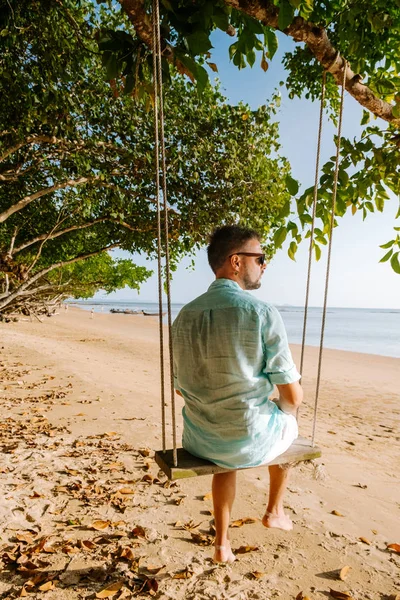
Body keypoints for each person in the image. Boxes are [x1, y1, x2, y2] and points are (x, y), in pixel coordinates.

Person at [172, 225, 303, 564]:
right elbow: (292, 395)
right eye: (260, 258)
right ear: (235, 261)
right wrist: (282, 407)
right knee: (288, 417)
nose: (264, 264)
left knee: (224, 453)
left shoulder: (185, 315)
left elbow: (179, 387)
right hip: (247, 438)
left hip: (200, 439)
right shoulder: (261, 313)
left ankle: (222, 544)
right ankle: (274, 510)